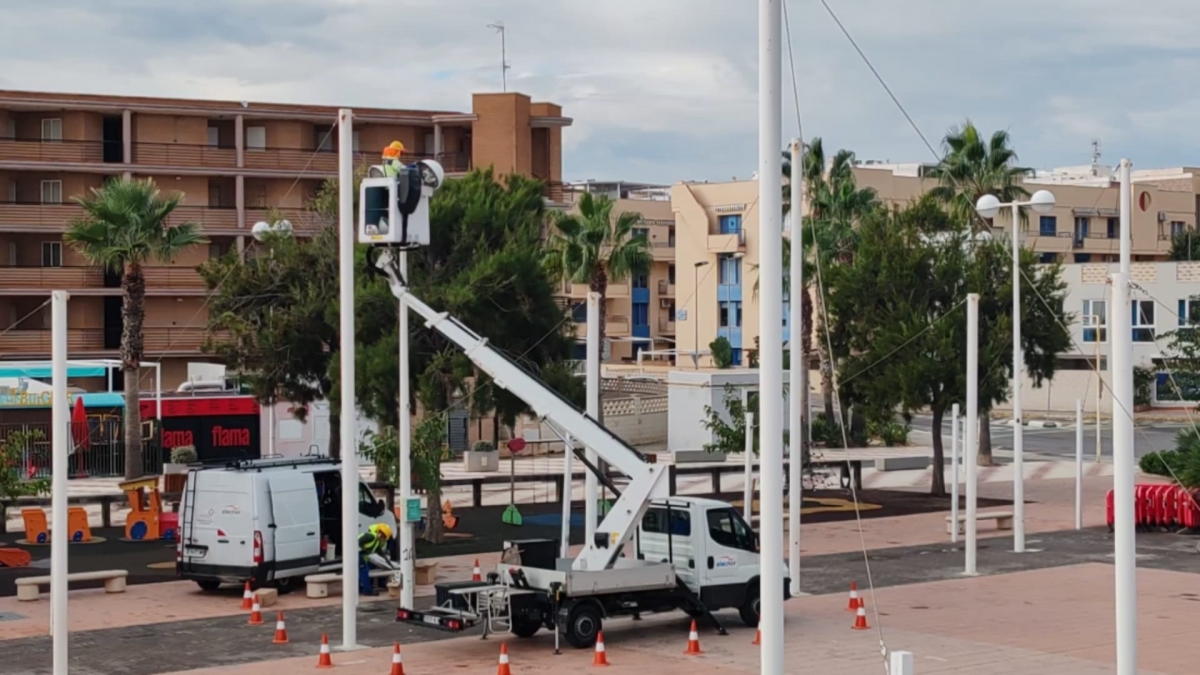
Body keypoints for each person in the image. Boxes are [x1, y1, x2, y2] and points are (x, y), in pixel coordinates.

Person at [357, 522, 392, 596]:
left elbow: (381, 553)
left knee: (364, 569)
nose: (381, 536)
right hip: (355, 553)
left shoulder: (377, 542)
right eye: (381, 534)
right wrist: (365, 549)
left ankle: (359, 588)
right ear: (378, 531)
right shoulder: (371, 536)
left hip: (358, 555)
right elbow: (358, 542)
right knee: (364, 570)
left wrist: (390, 564)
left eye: (383, 536)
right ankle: (367, 591)